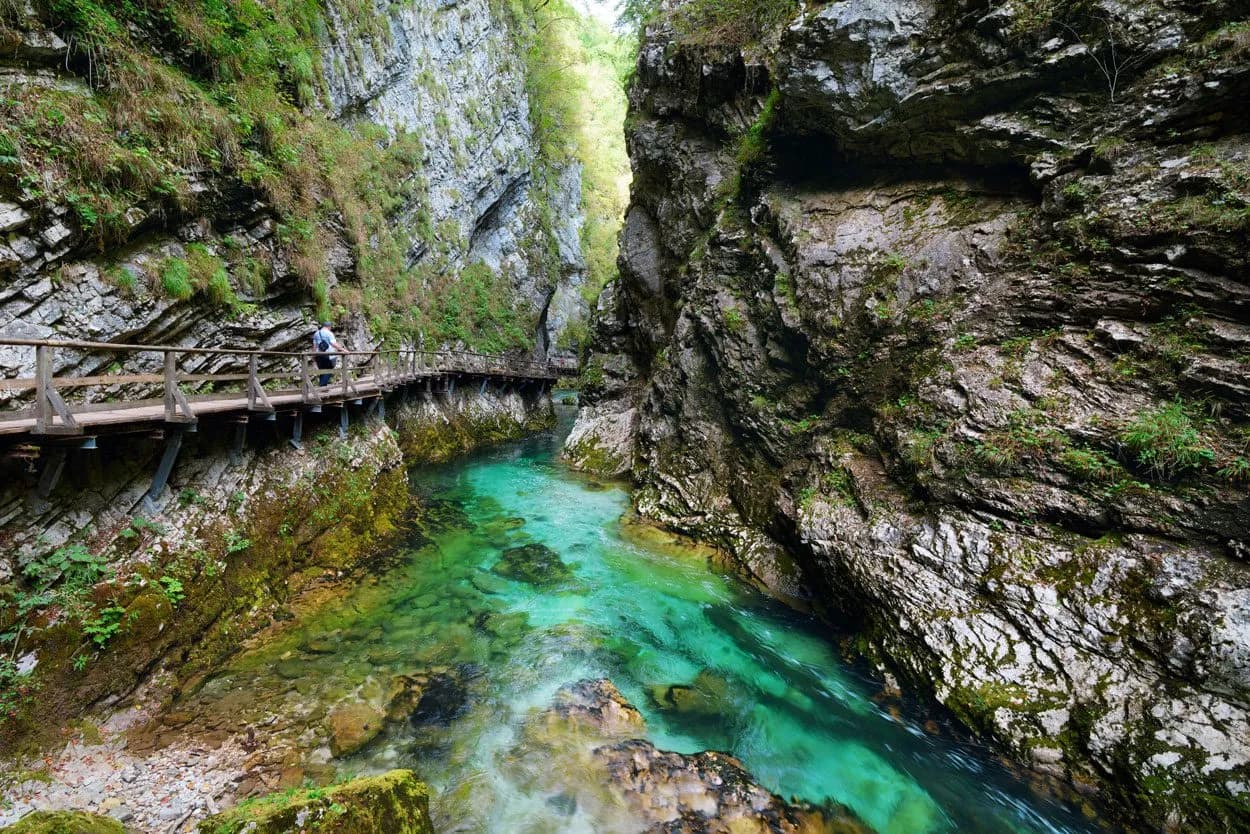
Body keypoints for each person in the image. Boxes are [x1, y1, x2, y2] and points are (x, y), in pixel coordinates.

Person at [313, 321, 346, 386]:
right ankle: (322, 385)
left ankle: (323, 387)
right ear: (329, 326)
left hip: (318, 355)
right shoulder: (329, 333)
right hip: (327, 355)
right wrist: (343, 350)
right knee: (329, 369)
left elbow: (314, 346)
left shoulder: (316, 333)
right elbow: (334, 344)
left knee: (322, 370)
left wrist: (314, 355)